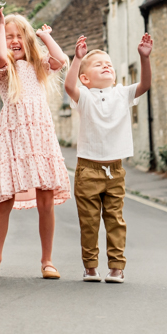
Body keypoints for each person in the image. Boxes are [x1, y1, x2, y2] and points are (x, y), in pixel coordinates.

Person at [0, 5, 71, 279]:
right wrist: (0, 24)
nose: (14, 41)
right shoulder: (2, 66)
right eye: (9, 36)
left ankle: (47, 260)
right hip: (13, 135)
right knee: (4, 200)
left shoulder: (38, 65)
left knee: (46, 200)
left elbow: (61, 60)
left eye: (19, 35)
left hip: (40, 137)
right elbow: (0, 54)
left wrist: (46, 37)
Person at [64, 33, 152, 284]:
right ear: (85, 78)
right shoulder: (84, 97)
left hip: (115, 170)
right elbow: (69, 87)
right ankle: (90, 266)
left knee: (115, 221)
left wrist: (144, 58)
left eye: (109, 64)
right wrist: (77, 58)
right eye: (98, 64)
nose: (106, 66)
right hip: (87, 170)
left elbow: (144, 84)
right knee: (89, 223)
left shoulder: (123, 94)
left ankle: (116, 267)